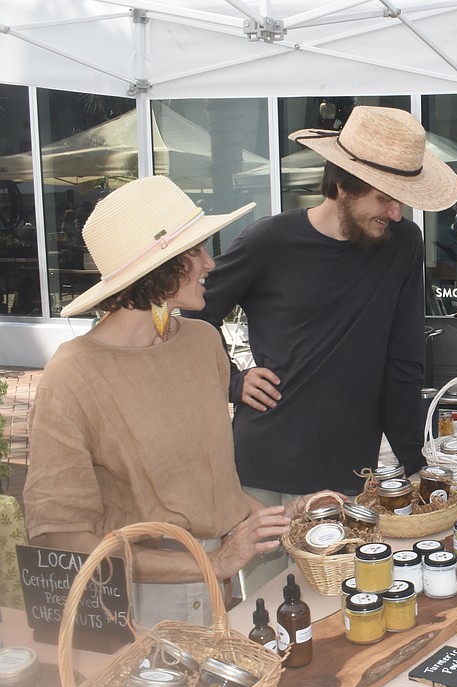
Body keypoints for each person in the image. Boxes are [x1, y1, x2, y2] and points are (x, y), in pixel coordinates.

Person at [185, 106, 457, 591]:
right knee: (267, 607)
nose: (395, 214)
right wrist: (232, 381)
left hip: (348, 473)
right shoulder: (269, 241)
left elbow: (403, 362)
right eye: (384, 199)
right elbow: (192, 316)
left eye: (402, 202)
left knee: (344, 600)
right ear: (340, 185)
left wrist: (416, 463)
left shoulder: (403, 244)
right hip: (263, 468)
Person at [23, 176, 316, 626]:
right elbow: (66, 541)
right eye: (195, 252)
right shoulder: (72, 376)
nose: (210, 263)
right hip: (139, 607)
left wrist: (289, 517)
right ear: (157, 269)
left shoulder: (201, 342)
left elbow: (210, 491)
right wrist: (212, 563)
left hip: (217, 590)